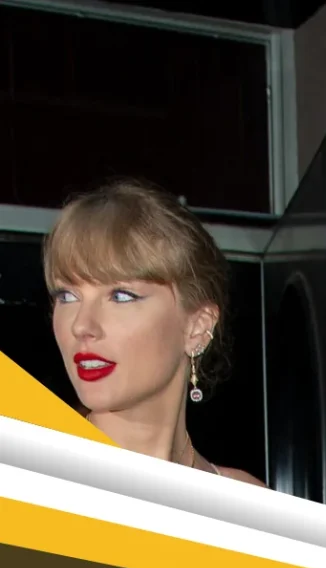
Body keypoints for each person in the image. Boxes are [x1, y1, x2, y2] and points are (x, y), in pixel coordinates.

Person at [43, 178, 266, 488]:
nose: (81, 325)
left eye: (121, 296)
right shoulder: (29, 477)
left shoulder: (246, 501)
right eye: (67, 296)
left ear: (197, 327)